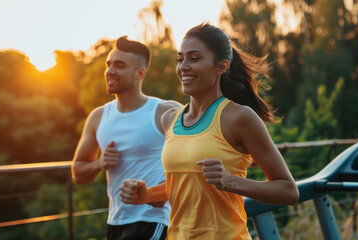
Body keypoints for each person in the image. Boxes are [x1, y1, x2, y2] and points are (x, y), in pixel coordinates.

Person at [119, 23, 299, 239]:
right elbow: (186, 185)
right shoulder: (170, 120)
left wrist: (229, 181)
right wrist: (147, 194)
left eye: (194, 58)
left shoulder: (239, 117)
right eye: (180, 59)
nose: (183, 66)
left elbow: (289, 191)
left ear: (221, 66)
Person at [71, 36, 181, 240]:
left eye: (119, 65)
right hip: (116, 221)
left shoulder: (164, 112)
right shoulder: (98, 117)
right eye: (109, 64)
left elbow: (193, 163)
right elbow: (78, 173)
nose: (110, 71)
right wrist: (99, 163)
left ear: (140, 74)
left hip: (155, 219)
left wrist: (156, 194)